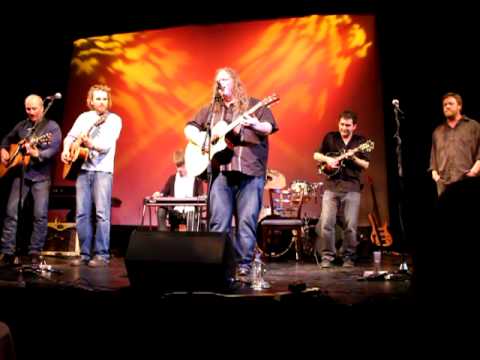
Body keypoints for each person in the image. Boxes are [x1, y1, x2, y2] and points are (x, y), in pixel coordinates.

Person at [184, 67, 278, 278]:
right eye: (217, 80)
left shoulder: (255, 105)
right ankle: (219, 262)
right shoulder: (211, 111)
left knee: (246, 220)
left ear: (235, 82)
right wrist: (203, 140)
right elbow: (189, 129)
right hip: (221, 172)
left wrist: (255, 124)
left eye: (225, 79)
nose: (221, 82)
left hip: (250, 172)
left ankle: (244, 264)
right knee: (219, 221)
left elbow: (268, 127)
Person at [61, 84, 122, 267]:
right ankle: (84, 254)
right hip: (82, 170)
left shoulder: (114, 119)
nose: (102, 102)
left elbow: (107, 145)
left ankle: (101, 255)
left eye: (104, 99)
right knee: (81, 213)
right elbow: (70, 137)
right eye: (98, 98)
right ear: (91, 101)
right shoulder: (83, 117)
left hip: (102, 171)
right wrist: (65, 150)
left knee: (102, 213)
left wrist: (91, 143)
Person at [0, 94, 62, 266]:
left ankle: (35, 251)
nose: (31, 112)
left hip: (41, 177)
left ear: (42, 108)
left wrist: (37, 153)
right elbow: (7, 139)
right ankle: (7, 251)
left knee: (40, 215)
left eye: (34, 108)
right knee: (11, 212)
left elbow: (53, 149)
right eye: (28, 108)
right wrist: (4, 150)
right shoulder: (23, 125)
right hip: (21, 174)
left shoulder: (52, 127)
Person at [313, 110, 370, 268]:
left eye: (348, 125)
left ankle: (348, 257)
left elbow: (366, 165)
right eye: (342, 124)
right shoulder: (330, 138)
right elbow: (316, 155)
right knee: (326, 223)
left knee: (350, 225)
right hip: (331, 186)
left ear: (354, 126)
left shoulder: (361, 142)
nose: (344, 128)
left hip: (352, 187)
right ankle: (328, 256)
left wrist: (354, 158)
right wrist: (328, 159)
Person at [430, 92, 480, 196]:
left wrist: (474, 171)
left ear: (459, 106)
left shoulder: (473, 126)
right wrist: (436, 176)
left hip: (467, 181)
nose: (447, 106)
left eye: (450, 103)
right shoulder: (437, 132)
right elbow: (433, 159)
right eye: (444, 104)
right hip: (444, 185)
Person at [152, 149, 204, 231]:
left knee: (192, 217)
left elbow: (201, 197)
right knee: (161, 210)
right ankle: (163, 239)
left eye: (182, 166)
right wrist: (159, 194)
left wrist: (202, 197)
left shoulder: (196, 179)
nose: (179, 169)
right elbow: (163, 192)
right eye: (177, 166)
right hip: (176, 214)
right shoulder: (172, 179)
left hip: (191, 213)